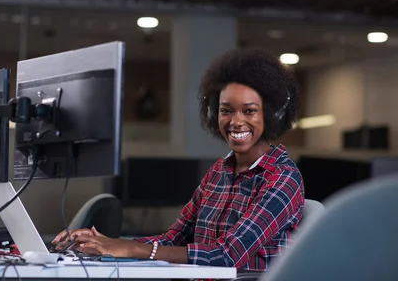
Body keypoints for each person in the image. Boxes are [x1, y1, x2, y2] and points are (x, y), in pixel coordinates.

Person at [52, 48, 305, 271]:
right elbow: (175, 238)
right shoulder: (219, 172)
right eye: (226, 110)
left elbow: (228, 256)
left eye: (249, 111)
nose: (236, 121)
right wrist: (106, 244)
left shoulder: (283, 177)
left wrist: (132, 250)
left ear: (272, 114)